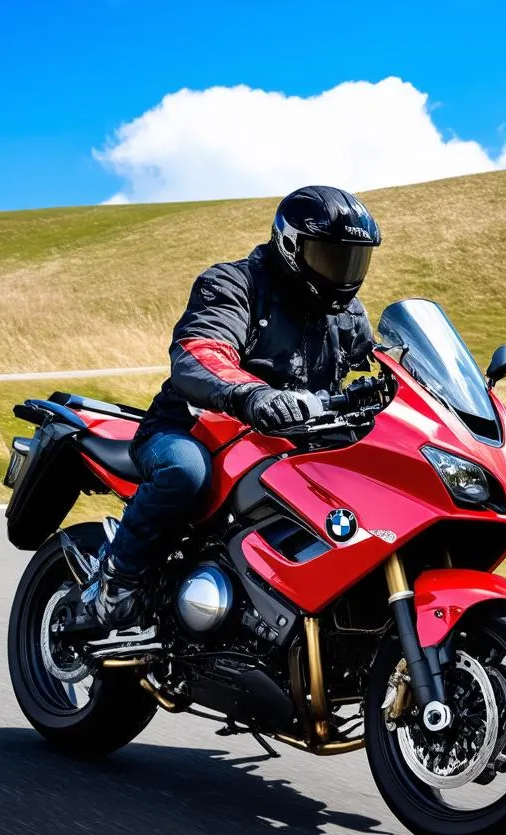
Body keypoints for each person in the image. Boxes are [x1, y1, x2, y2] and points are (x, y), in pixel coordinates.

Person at [85, 185, 382, 627]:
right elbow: (199, 353)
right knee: (186, 473)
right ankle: (116, 583)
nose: (342, 272)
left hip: (289, 446)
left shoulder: (347, 314)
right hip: (191, 429)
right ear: (289, 245)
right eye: (330, 257)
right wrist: (254, 395)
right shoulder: (234, 283)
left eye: (353, 260)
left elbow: (382, 367)